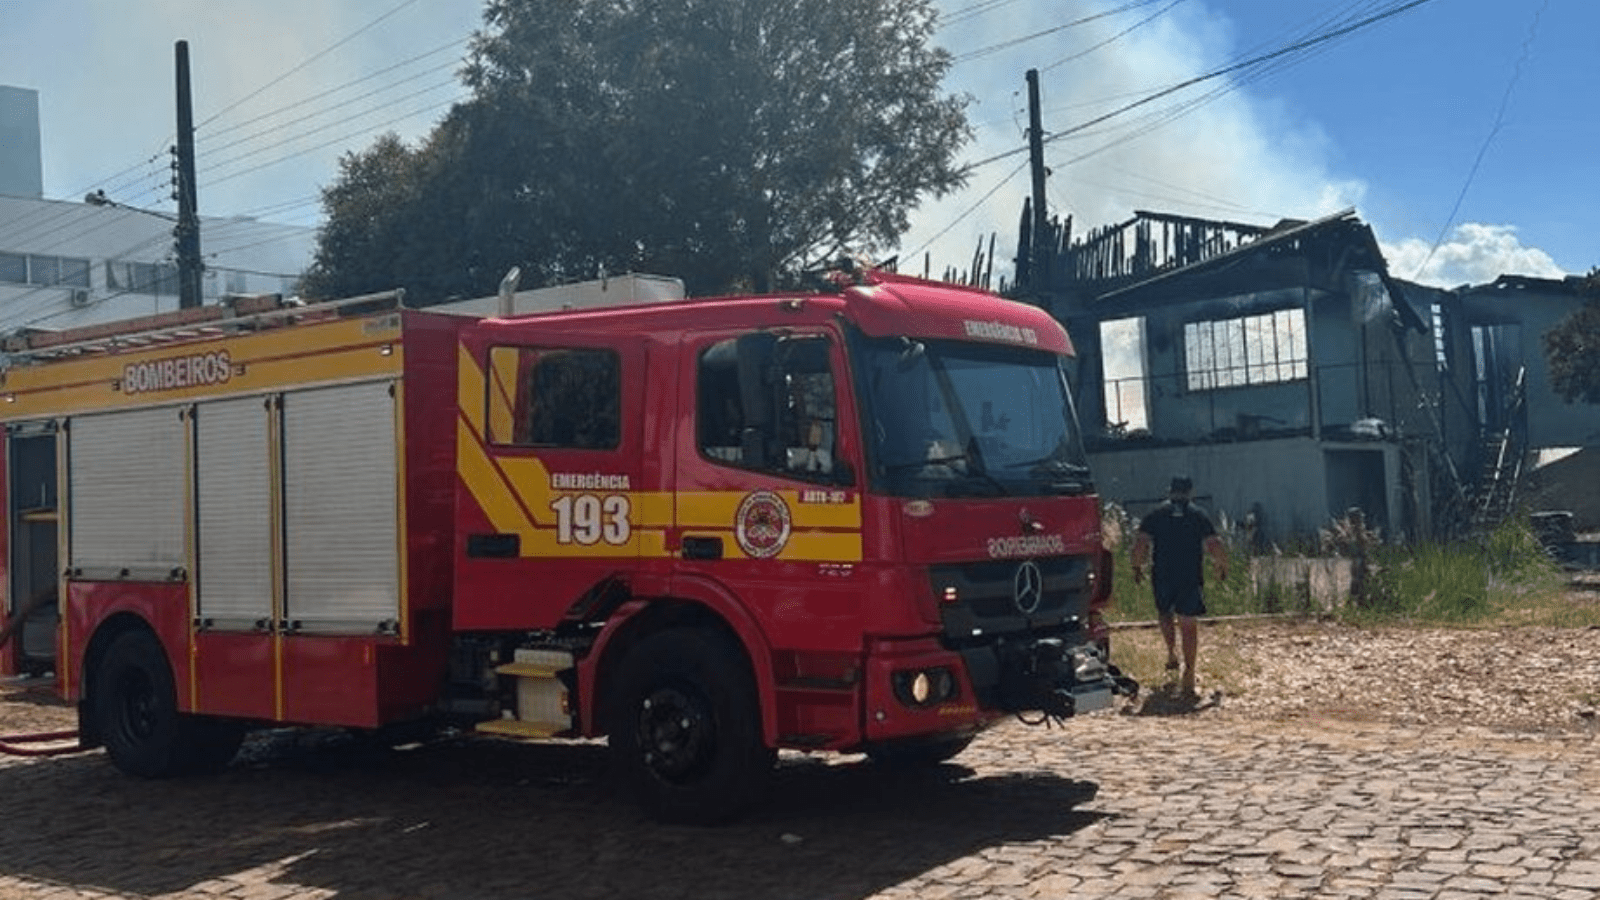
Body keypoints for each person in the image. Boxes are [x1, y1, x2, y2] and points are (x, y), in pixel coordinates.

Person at [1131, 475, 1228, 697]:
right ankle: (1190, 672)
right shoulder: (1198, 514)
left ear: (1170, 490)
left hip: (1162, 574)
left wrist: (1137, 567)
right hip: (1189, 575)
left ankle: (1172, 652)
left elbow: (1140, 543)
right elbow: (1214, 544)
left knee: (1164, 613)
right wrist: (1222, 566)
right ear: (1190, 491)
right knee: (1188, 623)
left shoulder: (1156, 514)